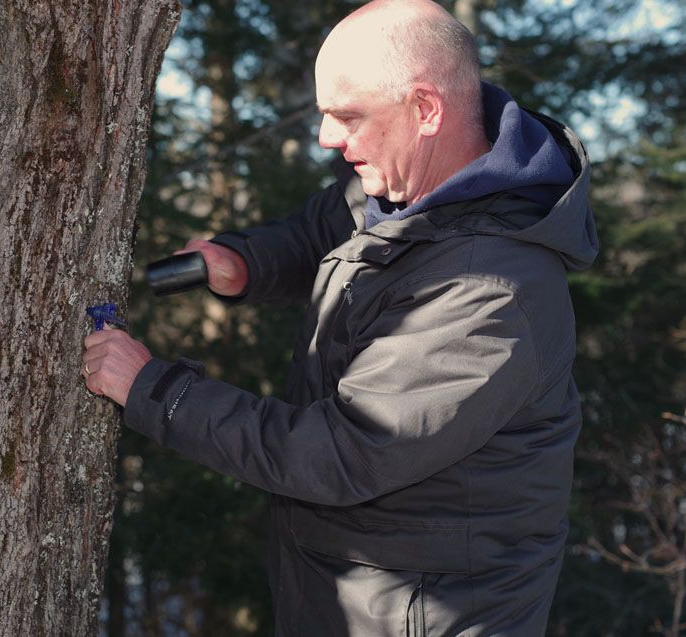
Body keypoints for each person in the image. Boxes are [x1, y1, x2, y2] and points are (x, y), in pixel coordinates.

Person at [82, 0, 598, 634]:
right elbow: (323, 232)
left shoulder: (491, 294)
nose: (327, 137)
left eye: (347, 116)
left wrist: (155, 392)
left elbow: (341, 453)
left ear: (426, 109)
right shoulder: (404, 185)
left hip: (423, 617)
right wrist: (241, 262)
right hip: (348, 591)